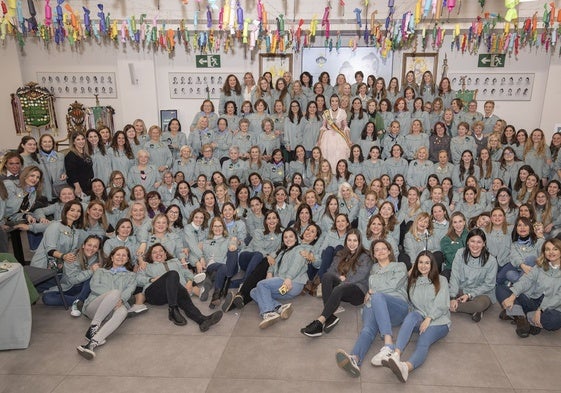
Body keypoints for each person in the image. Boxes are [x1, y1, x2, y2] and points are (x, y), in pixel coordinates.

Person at [335, 239, 408, 378]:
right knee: (367, 329)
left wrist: (372, 291)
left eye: (383, 248)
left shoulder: (400, 266)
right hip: (375, 305)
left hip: (396, 306)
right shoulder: (373, 269)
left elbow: (393, 285)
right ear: (373, 254)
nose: (380, 251)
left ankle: (388, 345)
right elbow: (373, 287)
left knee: (378, 296)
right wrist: (371, 291)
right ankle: (355, 359)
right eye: (376, 250)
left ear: (389, 251)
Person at [384, 251, 450, 383]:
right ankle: (396, 354)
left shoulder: (441, 280)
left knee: (423, 341)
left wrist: (429, 318)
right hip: (420, 317)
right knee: (411, 316)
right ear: (416, 264)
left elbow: (442, 304)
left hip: (439, 321)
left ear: (432, 265)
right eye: (420, 262)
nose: (423, 266)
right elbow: (410, 302)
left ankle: (405, 368)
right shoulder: (413, 281)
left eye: (427, 263)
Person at [300, 229, 372, 337]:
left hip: (357, 291)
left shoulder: (365, 256)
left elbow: (360, 275)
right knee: (326, 276)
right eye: (349, 240)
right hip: (341, 288)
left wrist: (345, 279)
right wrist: (339, 277)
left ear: (359, 242)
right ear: (346, 241)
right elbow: (331, 270)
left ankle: (320, 322)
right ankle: (330, 316)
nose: (351, 243)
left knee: (340, 288)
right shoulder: (341, 254)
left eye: (355, 241)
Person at [138, 244, 223, 330]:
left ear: (165, 254)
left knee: (182, 293)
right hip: (154, 293)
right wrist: (151, 279)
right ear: (150, 256)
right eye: (154, 252)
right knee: (173, 274)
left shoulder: (175, 262)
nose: (158, 253)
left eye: (161, 251)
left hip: (173, 292)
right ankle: (173, 309)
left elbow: (187, 273)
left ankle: (202, 320)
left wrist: (189, 282)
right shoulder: (147, 266)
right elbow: (138, 279)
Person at [76, 247, 137, 360]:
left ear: (128, 259)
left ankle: (93, 343)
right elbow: (94, 287)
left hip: (113, 309)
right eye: (118, 254)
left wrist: (121, 300)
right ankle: (94, 325)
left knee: (123, 310)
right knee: (115, 293)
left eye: (124, 255)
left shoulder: (132, 276)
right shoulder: (100, 271)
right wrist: (113, 296)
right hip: (94, 307)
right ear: (112, 257)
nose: (121, 257)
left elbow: (130, 290)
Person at [497, 238, 561, 337]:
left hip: (551, 307)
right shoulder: (540, 266)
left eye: (555, 249)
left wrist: (540, 310)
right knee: (501, 289)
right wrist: (512, 297)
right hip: (532, 301)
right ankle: (522, 318)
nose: (551, 252)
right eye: (547, 249)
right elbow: (526, 280)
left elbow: (558, 297)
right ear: (544, 252)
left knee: (554, 321)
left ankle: (517, 314)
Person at [250, 228, 307, 329]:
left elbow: (296, 265)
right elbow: (273, 263)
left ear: (296, 238)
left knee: (261, 284)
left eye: (291, 236)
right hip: (282, 288)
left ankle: (268, 312)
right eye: (285, 237)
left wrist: (288, 278)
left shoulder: (299, 249)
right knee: (254, 291)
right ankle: (279, 307)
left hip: (293, 282)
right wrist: (269, 272)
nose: (288, 239)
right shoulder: (282, 252)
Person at [42, 234, 103, 317]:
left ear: (98, 249)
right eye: (89, 245)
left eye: (95, 247)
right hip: (71, 286)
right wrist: (90, 271)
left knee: (94, 276)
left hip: (86, 287)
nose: (91, 248)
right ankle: (81, 300)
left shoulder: (99, 259)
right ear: (83, 245)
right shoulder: (71, 257)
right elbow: (72, 280)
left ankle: (79, 301)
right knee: (47, 298)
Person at [449, 228, 498, 322]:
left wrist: (469, 295)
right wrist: (452, 297)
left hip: (481, 293)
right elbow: (455, 276)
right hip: (461, 289)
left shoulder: (491, 261)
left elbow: (489, 285)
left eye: (479, 242)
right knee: (439, 292)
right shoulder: (460, 253)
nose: (475, 245)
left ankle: (455, 307)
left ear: (484, 243)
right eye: (472, 241)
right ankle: (470, 309)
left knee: (479, 305)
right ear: (467, 242)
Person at [318, 95, 352, 173]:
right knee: (328, 155)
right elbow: (323, 127)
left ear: (338, 102)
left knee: (340, 154)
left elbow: (346, 127)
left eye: (336, 101)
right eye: (332, 101)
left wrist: (349, 139)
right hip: (327, 137)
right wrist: (319, 140)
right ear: (330, 102)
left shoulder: (342, 112)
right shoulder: (326, 112)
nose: (334, 103)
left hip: (340, 136)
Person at [64, 132, 94, 197]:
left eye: (83, 139)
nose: (81, 141)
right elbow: (71, 173)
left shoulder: (86, 154)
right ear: (74, 142)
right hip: (79, 186)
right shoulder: (71, 156)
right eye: (78, 139)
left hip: (88, 184)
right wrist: (77, 187)